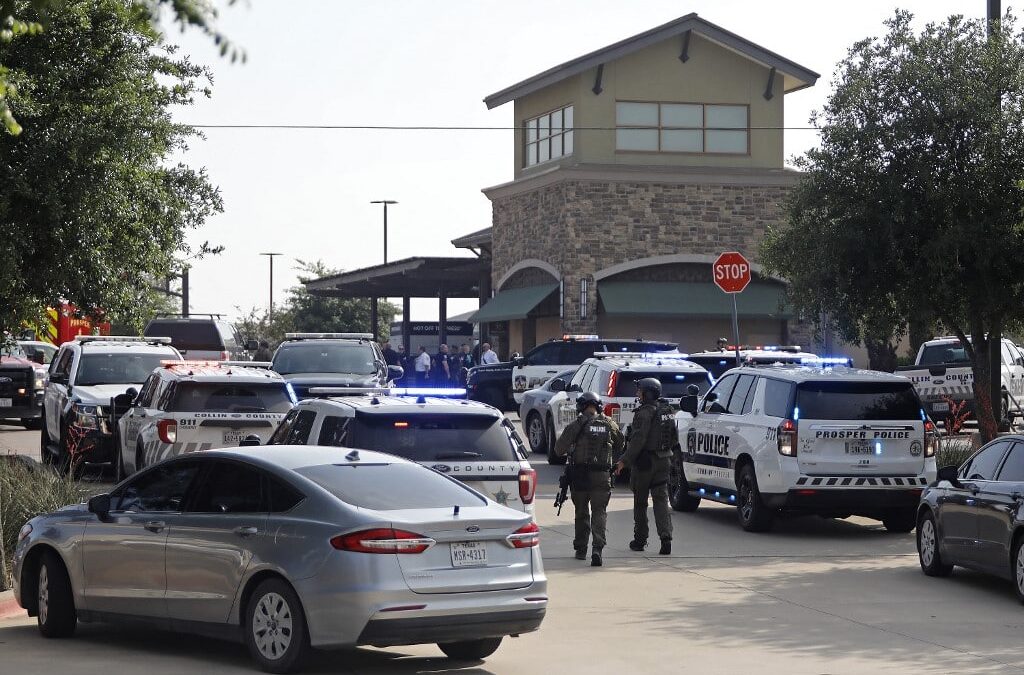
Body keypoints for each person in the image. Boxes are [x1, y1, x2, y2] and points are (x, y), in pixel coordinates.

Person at [555, 391, 623, 567]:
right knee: (599, 511)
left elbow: (558, 450)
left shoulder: (576, 425)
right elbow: (621, 443)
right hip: (602, 475)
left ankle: (581, 549)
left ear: (582, 406)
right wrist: (611, 461)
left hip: (580, 475)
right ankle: (597, 549)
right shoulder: (609, 423)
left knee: (582, 512)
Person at [615, 377, 674, 555]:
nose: (637, 394)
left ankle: (640, 540)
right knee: (661, 500)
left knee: (640, 502)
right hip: (664, 460)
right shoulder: (667, 411)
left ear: (647, 393)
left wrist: (624, 461)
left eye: (639, 391)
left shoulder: (644, 413)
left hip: (646, 463)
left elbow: (637, 440)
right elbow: (674, 438)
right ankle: (666, 538)